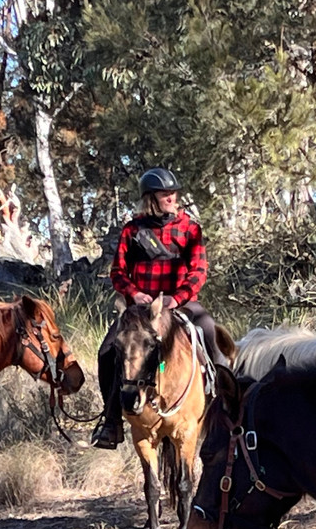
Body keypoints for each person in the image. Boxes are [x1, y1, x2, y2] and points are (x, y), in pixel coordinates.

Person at [90, 167, 219, 450]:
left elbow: (198, 271)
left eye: (173, 192)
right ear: (151, 198)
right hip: (140, 310)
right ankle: (111, 422)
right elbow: (118, 272)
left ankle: (224, 413)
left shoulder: (190, 228)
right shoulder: (133, 230)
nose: (172, 197)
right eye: (165, 194)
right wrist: (134, 294)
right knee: (107, 351)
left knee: (213, 336)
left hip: (179, 304)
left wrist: (177, 298)